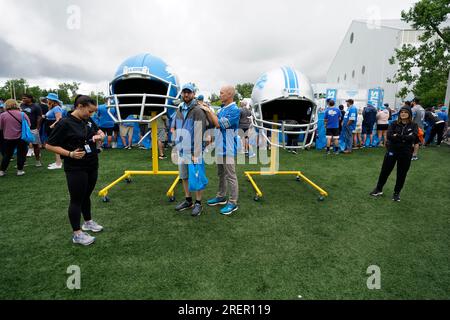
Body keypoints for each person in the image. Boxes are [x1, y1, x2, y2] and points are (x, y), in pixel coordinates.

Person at [45, 95, 105, 246]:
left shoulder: (86, 120)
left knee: (87, 195)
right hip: (75, 167)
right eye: (89, 111)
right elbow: (49, 145)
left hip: (91, 162)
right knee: (77, 199)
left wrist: (100, 135)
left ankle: (88, 222)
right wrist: (70, 154)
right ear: (80, 106)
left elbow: (97, 131)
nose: (90, 115)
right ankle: (77, 234)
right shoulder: (65, 123)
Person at [173, 83, 212, 217]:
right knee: (184, 176)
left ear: (193, 94)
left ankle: (198, 203)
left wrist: (196, 152)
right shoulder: (179, 109)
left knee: (197, 176)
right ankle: (188, 200)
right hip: (182, 149)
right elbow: (175, 127)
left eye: (188, 92)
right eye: (184, 92)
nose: (186, 94)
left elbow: (199, 132)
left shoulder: (197, 110)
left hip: (194, 150)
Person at [370, 107, 418, 202]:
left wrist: (398, 136)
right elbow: (389, 136)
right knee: (385, 170)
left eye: (405, 112)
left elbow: (413, 138)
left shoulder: (414, 125)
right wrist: (404, 137)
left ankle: (396, 193)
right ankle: (378, 189)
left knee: (401, 173)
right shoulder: (394, 123)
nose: (403, 114)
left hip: (405, 152)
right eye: (401, 112)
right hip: (392, 150)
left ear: (409, 114)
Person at [207, 85, 240, 215]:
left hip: (229, 148)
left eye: (222, 93)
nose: (219, 95)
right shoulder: (222, 109)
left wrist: (209, 110)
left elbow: (219, 124)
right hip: (220, 147)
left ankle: (233, 202)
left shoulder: (235, 110)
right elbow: (214, 124)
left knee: (231, 176)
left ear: (229, 94)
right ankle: (221, 196)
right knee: (221, 174)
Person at [0, 99, 31, 177]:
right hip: (22, 137)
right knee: (21, 154)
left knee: (7, 155)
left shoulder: (3, 115)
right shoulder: (23, 114)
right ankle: (20, 170)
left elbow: (0, 127)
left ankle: (2, 171)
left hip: (8, 138)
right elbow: (29, 125)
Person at [20, 94, 43, 167]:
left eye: (25, 98)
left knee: (35, 145)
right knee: (23, 146)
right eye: (22, 98)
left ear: (30, 98)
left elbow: (39, 117)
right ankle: (23, 162)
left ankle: (38, 161)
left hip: (33, 128)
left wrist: (38, 127)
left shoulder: (36, 106)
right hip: (23, 128)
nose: (23, 99)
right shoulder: (21, 105)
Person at [44, 93, 64, 169]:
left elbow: (59, 119)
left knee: (55, 145)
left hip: (54, 128)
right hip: (51, 127)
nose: (47, 100)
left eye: (48, 99)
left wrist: (52, 126)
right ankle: (57, 162)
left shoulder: (56, 108)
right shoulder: (53, 108)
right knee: (54, 145)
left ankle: (59, 164)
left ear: (53, 100)